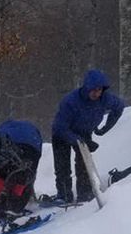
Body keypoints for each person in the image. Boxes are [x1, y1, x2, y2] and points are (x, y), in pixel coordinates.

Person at [51, 68, 125, 203]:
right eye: (93, 90)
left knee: (84, 164)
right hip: (61, 134)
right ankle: (64, 195)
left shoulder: (105, 99)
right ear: (86, 88)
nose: (96, 93)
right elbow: (60, 127)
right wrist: (78, 141)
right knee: (62, 166)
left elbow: (119, 107)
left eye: (99, 90)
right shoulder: (70, 101)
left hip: (84, 132)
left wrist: (105, 128)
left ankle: (84, 195)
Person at [0, 119, 44, 218]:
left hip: (12, 145)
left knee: (3, 175)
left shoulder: (2, 128)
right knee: (26, 176)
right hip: (33, 145)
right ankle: (17, 204)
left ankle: (3, 204)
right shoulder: (30, 129)